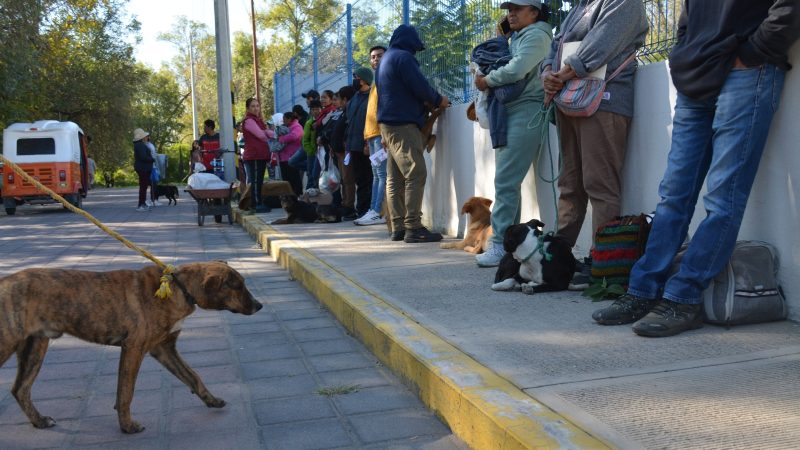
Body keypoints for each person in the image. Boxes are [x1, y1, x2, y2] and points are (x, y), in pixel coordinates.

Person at [592, 0, 800, 338]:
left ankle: (683, 297)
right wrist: (683, 54)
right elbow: (689, 15)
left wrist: (751, 53)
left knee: (722, 197)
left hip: (746, 71)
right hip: (696, 75)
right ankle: (643, 290)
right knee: (674, 193)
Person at [540, 0, 648, 284]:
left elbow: (601, 44)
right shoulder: (580, 7)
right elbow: (557, 45)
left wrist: (559, 76)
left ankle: (602, 262)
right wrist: (546, 73)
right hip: (571, 100)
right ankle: (559, 256)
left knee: (599, 184)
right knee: (569, 183)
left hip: (605, 100)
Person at [472, 0, 553, 267]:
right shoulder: (519, 36)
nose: (511, 14)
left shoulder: (537, 35)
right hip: (514, 111)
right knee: (508, 182)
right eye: (509, 10)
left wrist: (487, 80)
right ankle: (508, 245)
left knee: (505, 181)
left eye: (517, 9)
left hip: (527, 110)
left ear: (535, 12)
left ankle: (499, 246)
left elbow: (517, 69)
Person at [376, 25, 449, 243]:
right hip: (402, 124)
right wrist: (438, 100)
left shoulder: (386, 59)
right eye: (415, 48)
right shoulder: (404, 58)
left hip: (388, 124)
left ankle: (397, 226)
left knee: (395, 177)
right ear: (410, 42)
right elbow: (419, 85)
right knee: (416, 173)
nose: (416, 52)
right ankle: (413, 227)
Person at [354, 45, 389, 226]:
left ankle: (377, 211)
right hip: (372, 136)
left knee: (382, 174)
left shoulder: (385, 80)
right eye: (373, 57)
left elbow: (384, 109)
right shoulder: (375, 83)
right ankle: (374, 210)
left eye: (379, 56)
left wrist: (383, 134)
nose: (375, 59)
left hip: (380, 135)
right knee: (376, 174)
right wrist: (367, 138)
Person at [343, 67, 374, 220]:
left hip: (367, 145)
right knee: (359, 179)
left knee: (368, 180)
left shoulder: (373, 97)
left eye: (357, 77)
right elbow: (349, 121)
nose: (355, 80)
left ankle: (366, 211)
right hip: (353, 146)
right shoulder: (355, 97)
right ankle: (361, 210)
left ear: (364, 79)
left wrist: (367, 142)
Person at [241, 97, 271, 213]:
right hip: (253, 155)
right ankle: (256, 204)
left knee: (259, 181)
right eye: (253, 106)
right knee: (255, 181)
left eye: (257, 106)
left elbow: (266, 133)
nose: (256, 108)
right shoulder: (249, 120)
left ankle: (258, 202)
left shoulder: (258, 120)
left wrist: (269, 132)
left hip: (261, 154)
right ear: (248, 108)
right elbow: (261, 135)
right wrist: (269, 133)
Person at [295, 99, 322, 190]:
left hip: (321, 153)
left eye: (317, 109)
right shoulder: (309, 123)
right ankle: (309, 195)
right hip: (312, 153)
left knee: (317, 175)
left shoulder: (323, 120)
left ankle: (316, 194)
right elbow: (305, 140)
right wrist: (310, 151)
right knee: (311, 174)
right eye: (313, 109)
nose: (315, 111)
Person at [276, 111, 304, 196]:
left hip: (292, 157)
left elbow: (294, 136)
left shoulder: (296, 126)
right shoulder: (286, 127)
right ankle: (289, 196)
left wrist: (281, 139)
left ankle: (297, 195)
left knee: (294, 178)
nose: (283, 121)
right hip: (284, 157)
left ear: (289, 119)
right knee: (286, 179)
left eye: (284, 119)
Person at [132, 128, 154, 211]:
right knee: (143, 187)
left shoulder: (139, 144)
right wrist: (152, 159)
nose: (146, 137)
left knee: (143, 186)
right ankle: (141, 204)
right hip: (143, 168)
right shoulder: (140, 145)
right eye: (144, 136)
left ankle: (142, 203)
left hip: (143, 168)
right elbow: (143, 157)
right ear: (141, 137)